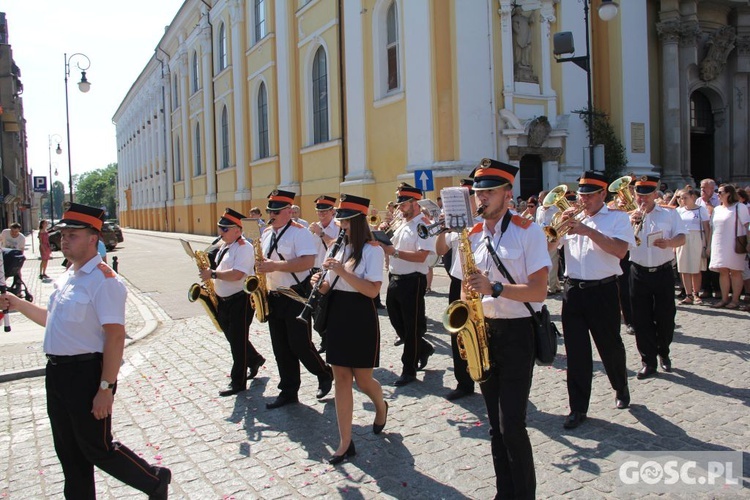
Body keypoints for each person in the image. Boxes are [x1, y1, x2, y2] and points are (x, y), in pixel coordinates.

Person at [0, 203, 171, 499]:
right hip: (56, 373)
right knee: (69, 453)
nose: (64, 240)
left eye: (72, 235)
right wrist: (17, 302)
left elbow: (115, 337)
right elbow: (50, 320)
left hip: (87, 373)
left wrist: (106, 387)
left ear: (93, 238)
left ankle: (154, 480)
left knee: (98, 449)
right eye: (63, 234)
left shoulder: (104, 281)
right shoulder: (69, 275)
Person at [456, 159, 549, 499]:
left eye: (489, 192)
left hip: (517, 332)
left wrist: (494, 288)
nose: (481, 198)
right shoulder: (472, 235)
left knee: (512, 425)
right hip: (484, 333)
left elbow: (538, 291)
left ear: (508, 194)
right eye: (478, 192)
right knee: (494, 427)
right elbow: (466, 288)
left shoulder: (529, 232)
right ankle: (503, 492)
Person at [555, 171, 634, 430]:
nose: (584, 200)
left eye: (589, 195)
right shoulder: (571, 219)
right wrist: (557, 231)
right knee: (576, 353)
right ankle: (578, 407)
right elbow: (548, 248)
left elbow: (620, 251)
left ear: (603, 194)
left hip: (603, 291)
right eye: (581, 195)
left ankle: (620, 386)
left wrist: (588, 231)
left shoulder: (617, 219)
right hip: (573, 291)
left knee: (609, 346)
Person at [312, 194, 387, 465]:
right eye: (340, 222)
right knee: (341, 379)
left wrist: (341, 271)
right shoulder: (335, 248)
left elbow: (372, 290)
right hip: (337, 314)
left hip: (360, 315)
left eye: (344, 223)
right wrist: (318, 284)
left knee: (363, 380)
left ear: (356, 222)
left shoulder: (372, 250)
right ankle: (345, 442)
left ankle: (381, 406)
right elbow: (327, 286)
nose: (340, 227)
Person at [257, 189, 333, 409]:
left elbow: (308, 262)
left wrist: (275, 266)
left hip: (294, 293)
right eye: (269, 210)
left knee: (299, 344)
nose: (272, 214)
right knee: (280, 346)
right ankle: (289, 391)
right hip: (273, 294)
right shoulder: (266, 233)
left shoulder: (299, 233)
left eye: (277, 211)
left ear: (289, 211)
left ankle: (324, 373)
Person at [198, 208, 266, 397]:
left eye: (225, 229)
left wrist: (213, 274)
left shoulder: (244, 247)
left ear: (238, 229)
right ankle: (254, 359)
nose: (221, 232)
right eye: (221, 228)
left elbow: (238, 274)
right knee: (234, 337)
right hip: (224, 300)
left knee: (237, 341)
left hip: (240, 300)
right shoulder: (225, 246)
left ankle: (238, 382)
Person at [377, 183, 437, 386]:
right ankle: (424, 348)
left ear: (415, 203)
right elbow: (390, 242)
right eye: (399, 204)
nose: (399, 208)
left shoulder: (422, 225)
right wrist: (382, 234)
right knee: (396, 321)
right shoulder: (402, 222)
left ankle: (409, 370)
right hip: (395, 278)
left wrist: (392, 252)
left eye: (403, 204)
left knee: (411, 328)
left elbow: (422, 257)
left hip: (413, 280)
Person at [628, 176, 687, 379]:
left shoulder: (670, 214)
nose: (642, 200)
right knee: (641, 319)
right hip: (638, 271)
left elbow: (682, 237)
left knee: (665, 317)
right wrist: (630, 223)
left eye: (646, 195)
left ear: (655, 194)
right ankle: (648, 360)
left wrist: (670, 242)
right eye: (638, 195)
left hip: (662, 271)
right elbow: (621, 244)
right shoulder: (629, 216)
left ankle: (664, 352)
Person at [436, 178, 481, 401]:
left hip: (481, 285)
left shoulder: (484, 222)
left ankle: (487, 375)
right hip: (458, 282)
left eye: (467, 196)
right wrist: (443, 228)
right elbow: (441, 249)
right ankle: (464, 382)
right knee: (458, 333)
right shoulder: (457, 222)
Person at [308, 195, 341, 352]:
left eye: (325, 211)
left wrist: (321, 233)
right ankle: (324, 338)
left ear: (332, 211)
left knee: (329, 309)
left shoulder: (338, 227)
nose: (321, 214)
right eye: (319, 211)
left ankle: (331, 339)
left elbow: (336, 246)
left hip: (331, 272)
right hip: (314, 271)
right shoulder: (313, 228)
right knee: (315, 310)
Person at [708, 184, 750, 309]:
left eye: (720, 192)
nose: (718, 194)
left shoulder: (740, 207)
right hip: (719, 244)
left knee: (736, 271)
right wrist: (709, 245)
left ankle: (735, 300)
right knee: (723, 271)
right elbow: (712, 228)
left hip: (735, 244)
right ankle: (725, 298)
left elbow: (747, 226)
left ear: (729, 194)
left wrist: (749, 243)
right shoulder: (717, 209)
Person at [676, 188, 711, 305]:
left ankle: (696, 293)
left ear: (692, 197)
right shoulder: (679, 211)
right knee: (683, 267)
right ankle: (688, 294)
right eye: (681, 198)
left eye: (685, 197)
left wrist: (708, 244)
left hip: (697, 238)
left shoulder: (701, 210)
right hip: (682, 238)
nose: (683, 200)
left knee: (695, 268)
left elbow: (707, 228)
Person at [536, 190, 561, 294]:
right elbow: (537, 223)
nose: (539, 200)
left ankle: (552, 287)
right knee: (544, 263)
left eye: (541, 197)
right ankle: (556, 284)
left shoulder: (555, 210)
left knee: (552, 262)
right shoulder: (539, 209)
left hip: (551, 238)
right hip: (541, 238)